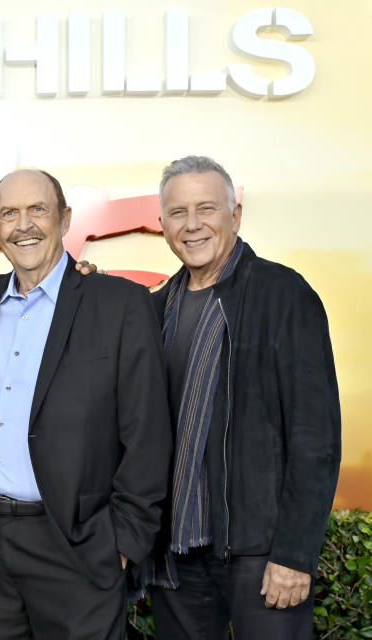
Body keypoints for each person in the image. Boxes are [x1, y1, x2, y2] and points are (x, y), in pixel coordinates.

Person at [0, 168, 172, 639]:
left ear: (65, 219)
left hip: (75, 540)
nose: (23, 224)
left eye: (37, 210)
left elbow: (147, 432)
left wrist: (123, 541)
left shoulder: (121, 303)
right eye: (9, 213)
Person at [144, 156, 340, 639]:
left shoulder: (283, 294)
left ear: (235, 213)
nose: (192, 225)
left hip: (260, 553)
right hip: (176, 557)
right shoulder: (155, 307)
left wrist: (294, 555)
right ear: (162, 223)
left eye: (206, 208)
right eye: (177, 212)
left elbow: (315, 436)